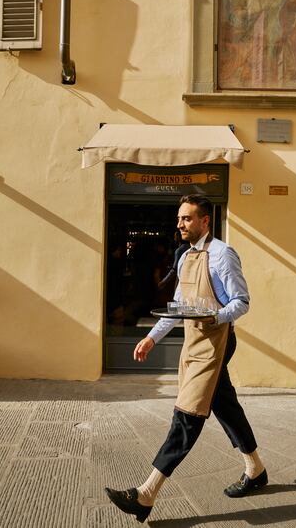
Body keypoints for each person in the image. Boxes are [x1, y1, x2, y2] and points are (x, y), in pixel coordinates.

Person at [105, 194, 267, 523]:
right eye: (179, 218)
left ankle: (146, 493)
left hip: (217, 342)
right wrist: (152, 337)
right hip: (194, 343)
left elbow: (242, 301)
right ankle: (256, 469)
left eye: (187, 218)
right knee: (224, 405)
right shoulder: (185, 257)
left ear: (205, 221)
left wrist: (216, 317)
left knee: (189, 411)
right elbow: (178, 307)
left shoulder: (222, 255)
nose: (180, 223)